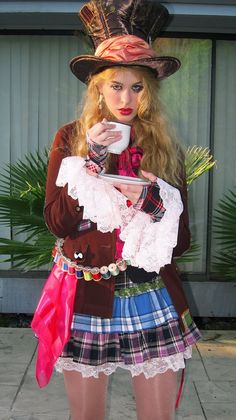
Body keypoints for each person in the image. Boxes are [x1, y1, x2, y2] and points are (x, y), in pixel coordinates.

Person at [31, 1, 201, 419]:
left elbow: (180, 243)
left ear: (149, 91)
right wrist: (89, 161)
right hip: (86, 289)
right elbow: (57, 221)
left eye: (137, 87)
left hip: (149, 294)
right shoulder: (71, 138)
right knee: (87, 416)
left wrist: (150, 202)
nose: (126, 98)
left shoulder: (163, 147)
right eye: (116, 85)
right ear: (98, 89)